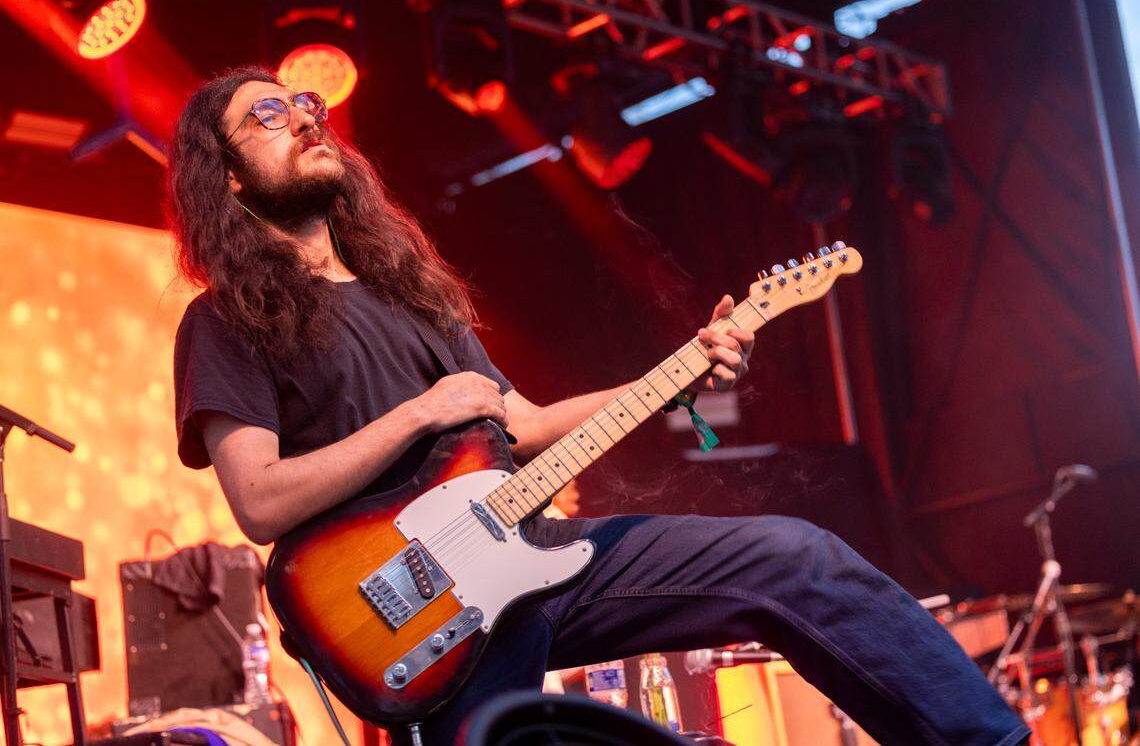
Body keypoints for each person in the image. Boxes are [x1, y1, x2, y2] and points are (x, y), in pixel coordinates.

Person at [169, 67, 1030, 746]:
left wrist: (680, 373)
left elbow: (527, 424)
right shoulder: (225, 321)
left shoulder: (410, 295)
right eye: (267, 117)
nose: (303, 117)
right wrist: (419, 413)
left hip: (534, 552)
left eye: (304, 104)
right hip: (413, 608)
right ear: (232, 181)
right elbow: (261, 500)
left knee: (796, 557)